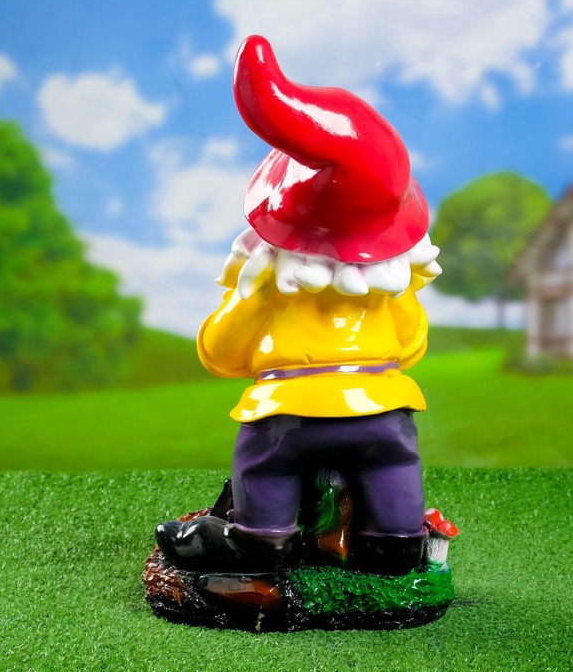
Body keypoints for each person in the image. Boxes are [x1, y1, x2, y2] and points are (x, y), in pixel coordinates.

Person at [156, 35, 442, 577]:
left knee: (264, 466)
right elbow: (410, 345)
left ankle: (263, 539)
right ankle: (397, 539)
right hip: (381, 410)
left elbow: (220, 352)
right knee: (394, 462)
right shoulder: (391, 288)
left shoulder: (267, 285)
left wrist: (246, 295)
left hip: (286, 418)